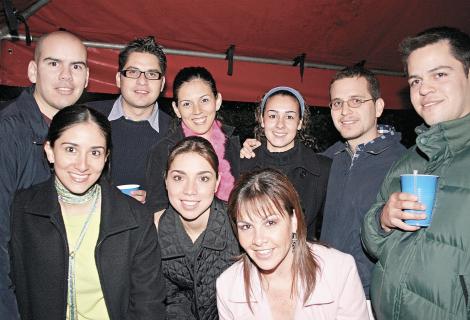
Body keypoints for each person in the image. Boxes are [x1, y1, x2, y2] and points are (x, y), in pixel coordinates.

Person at [9, 105, 166, 320]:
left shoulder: (136, 219)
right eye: (71, 149)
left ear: (106, 157)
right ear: (49, 150)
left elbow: (148, 306)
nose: (82, 165)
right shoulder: (20, 210)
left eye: (94, 152)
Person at [361, 26, 470, 320]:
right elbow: (372, 242)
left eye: (440, 74)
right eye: (416, 80)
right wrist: (383, 220)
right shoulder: (411, 159)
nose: (424, 89)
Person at [0, 30, 89, 318]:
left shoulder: (82, 137)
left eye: (76, 66)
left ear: (87, 78)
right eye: (54, 63)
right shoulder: (9, 132)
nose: (66, 76)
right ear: (32, 71)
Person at [217, 168, 368, 319]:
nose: (258, 239)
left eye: (270, 222)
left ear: (293, 220)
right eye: (246, 226)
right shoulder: (228, 286)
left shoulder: (339, 270)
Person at [319, 65, 406, 312]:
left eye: (356, 100)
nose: (345, 111)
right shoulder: (327, 159)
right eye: (337, 103)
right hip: (324, 290)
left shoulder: (404, 163)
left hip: (373, 298)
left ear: (378, 107)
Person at [154, 136, 239, 319]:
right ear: (166, 181)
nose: (190, 190)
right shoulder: (153, 232)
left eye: (203, 178)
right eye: (178, 177)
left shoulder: (239, 225)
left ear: (217, 182)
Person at [240, 86, 331, 240]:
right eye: (273, 116)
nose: (280, 125)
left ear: (300, 122)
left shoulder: (323, 169)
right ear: (262, 120)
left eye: (289, 117)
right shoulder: (242, 166)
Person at [146, 66, 240, 213]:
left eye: (204, 100)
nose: (197, 111)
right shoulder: (164, 151)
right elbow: (156, 210)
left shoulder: (236, 147)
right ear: (176, 109)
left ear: (218, 101)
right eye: (187, 104)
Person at [89, 36, 170, 203]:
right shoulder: (88, 118)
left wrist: (156, 201)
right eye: (133, 72)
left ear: (162, 84)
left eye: (152, 74)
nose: (142, 81)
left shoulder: (175, 132)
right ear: (119, 79)